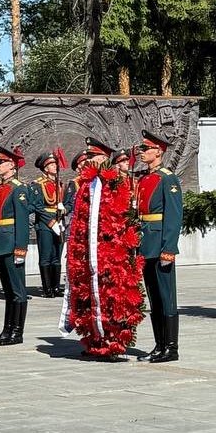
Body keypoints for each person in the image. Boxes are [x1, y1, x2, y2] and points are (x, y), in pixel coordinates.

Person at [59, 137, 144, 359]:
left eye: (92, 158)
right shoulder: (86, 185)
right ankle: (94, 341)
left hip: (110, 254)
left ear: (103, 158)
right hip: (88, 253)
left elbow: (121, 217)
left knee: (111, 297)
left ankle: (113, 341)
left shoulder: (115, 183)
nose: (87, 162)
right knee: (89, 296)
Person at [137, 131, 184, 362]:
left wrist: (169, 248)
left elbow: (174, 217)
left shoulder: (168, 179)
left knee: (167, 297)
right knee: (154, 298)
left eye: (146, 149)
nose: (142, 153)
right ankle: (159, 345)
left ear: (158, 151)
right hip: (146, 245)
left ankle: (171, 348)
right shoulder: (144, 179)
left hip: (161, 245)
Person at [0, 145, 37, 345]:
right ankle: (6, 330)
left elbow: (22, 222)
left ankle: (17, 332)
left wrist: (21, 249)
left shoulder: (19, 189)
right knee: (8, 290)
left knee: (18, 290)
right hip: (0, 242)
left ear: (12, 166)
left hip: (12, 243)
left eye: (1, 162)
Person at [30, 151, 66, 298]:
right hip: (45, 223)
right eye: (51, 164)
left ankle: (56, 287)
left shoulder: (60, 184)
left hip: (59, 220)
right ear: (45, 168)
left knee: (56, 255)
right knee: (46, 256)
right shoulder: (38, 184)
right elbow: (37, 207)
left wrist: (63, 211)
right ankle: (47, 288)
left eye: (55, 164)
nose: (55, 167)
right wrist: (51, 223)